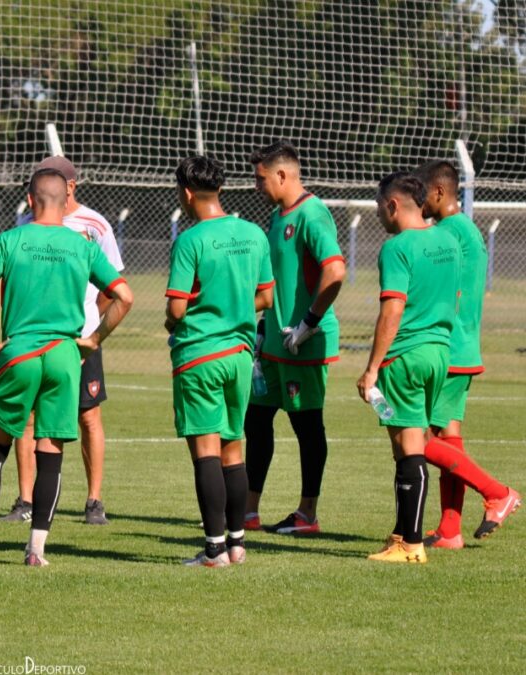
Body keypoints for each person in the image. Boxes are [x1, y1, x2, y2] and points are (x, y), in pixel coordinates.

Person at [0, 168, 133, 566]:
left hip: (20, 354)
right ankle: (36, 552)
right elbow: (124, 296)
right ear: (65, 202)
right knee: (51, 451)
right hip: (65, 357)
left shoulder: (10, 239)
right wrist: (94, 339)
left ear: (30, 200)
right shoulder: (82, 245)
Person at [0, 156, 125, 526]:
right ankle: (25, 500)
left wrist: (92, 325)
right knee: (27, 417)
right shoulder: (27, 224)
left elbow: (113, 283)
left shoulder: (95, 225)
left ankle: (94, 501)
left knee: (88, 415)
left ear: (70, 185)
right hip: (31, 337)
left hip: (79, 338)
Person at [166, 156, 274, 568]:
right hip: (240, 356)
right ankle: (237, 543)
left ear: (187, 194)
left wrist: (174, 318)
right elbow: (265, 297)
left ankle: (213, 549)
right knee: (233, 449)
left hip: (201, 354)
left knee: (205, 451)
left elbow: (176, 309)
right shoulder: (253, 234)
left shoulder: (191, 240)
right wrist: (232, 308)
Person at [357, 172, 461, 564]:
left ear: (393, 205)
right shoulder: (448, 240)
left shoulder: (397, 248)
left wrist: (372, 369)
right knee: (409, 444)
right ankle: (403, 532)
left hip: (405, 357)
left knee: (408, 449)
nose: (380, 216)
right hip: (439, 353)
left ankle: (411, 544)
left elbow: (393, 308)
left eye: (380, 208)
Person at [243, 142, 346, 535]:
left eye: (260, 178)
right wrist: (263, 327)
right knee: (256, 420)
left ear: (282, 175)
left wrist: (308, 323)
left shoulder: (313, 214)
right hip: (273, 344)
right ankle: (249, 512)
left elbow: (334, 272)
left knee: (307, 427)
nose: (257, 186)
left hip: (304, 344)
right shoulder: (275, 216)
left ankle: (307, 515)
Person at [415, 161, 519, 548]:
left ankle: (496, 492)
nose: (417, 201)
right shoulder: (466, 231)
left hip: (447, 348)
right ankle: (449, 530)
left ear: (439, 193)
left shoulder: (447, 234)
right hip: (462, 347)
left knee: (413, 436)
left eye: (421, 193)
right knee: (448, 438)